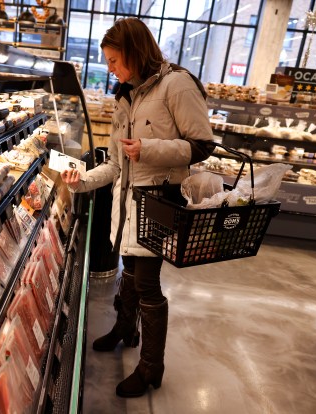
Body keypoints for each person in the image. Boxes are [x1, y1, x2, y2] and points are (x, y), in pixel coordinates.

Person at [61, 18, 214, 398]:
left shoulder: (176, 85)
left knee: (147, 283)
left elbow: (202, 144)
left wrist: (150, 149)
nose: (110, 69)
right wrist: (81, 181)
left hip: (160, 201)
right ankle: (124, 328)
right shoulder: (124, 96)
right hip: (127, 204)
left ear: (134, 52)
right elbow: (115, 164)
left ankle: (150, 367)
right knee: (129, 273)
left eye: (114, 61)